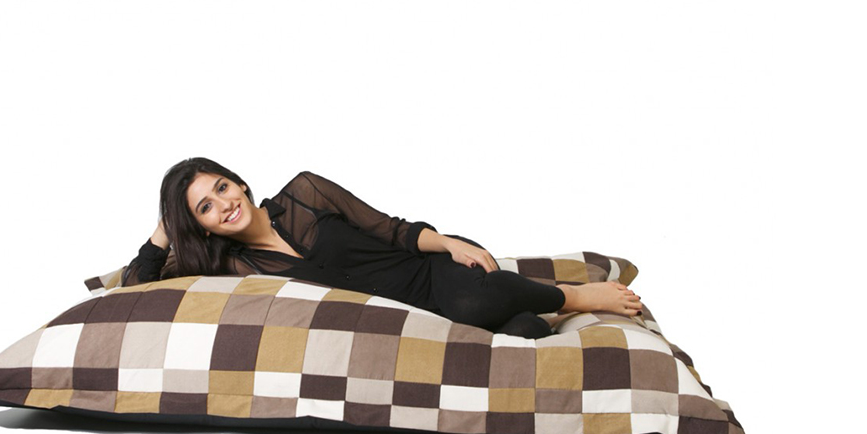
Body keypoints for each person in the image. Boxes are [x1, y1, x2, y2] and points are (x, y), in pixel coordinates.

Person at [122, 157, 642, 339]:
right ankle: (536, 312)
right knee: (524, 332)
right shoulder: (234, 266)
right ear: (201, 227)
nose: (223, 204)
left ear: (238, 181)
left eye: (221, 187)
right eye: (204, 208)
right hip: (405, 318)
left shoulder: (305, 191)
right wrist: (164, 231)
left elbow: (391, 230)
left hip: (430, 273)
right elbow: (134, 292)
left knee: (471, 302)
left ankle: (572, 297)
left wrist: (448, 243)